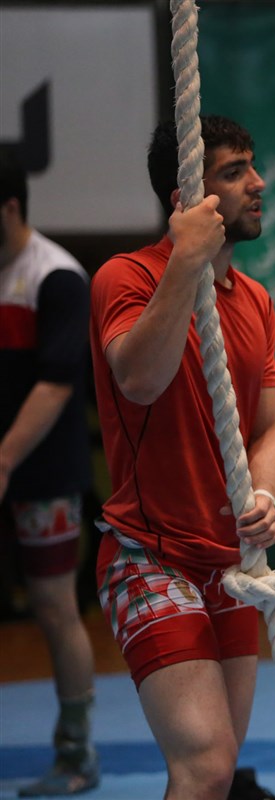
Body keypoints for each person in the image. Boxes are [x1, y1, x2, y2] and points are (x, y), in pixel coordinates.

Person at [89, 115, 275, 800]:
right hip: (148, 555)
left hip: (227, 566)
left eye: (251, 165)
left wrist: (264, 495)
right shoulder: (125, 277)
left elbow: (271, 429)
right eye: (233, 172)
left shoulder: (256, 301)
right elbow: (140, 379)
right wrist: (185, 260)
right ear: (188, 199)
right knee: (205, 765)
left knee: (218, 774)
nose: (257, 183)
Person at [0, 154, 100, 796]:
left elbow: (59, 383)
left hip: (44, 472)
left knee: (55, 607)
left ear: (10, 207)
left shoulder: (55, 277)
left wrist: (4, 458)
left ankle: (76, 752)